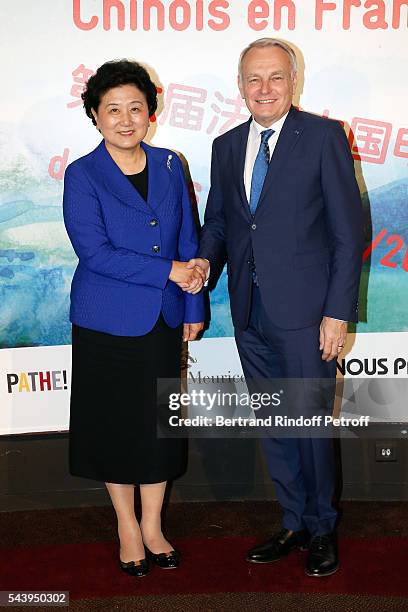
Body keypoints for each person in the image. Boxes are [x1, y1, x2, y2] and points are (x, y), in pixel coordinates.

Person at [188, 38, 364, 576]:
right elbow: (219, 222)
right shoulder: (224, 145)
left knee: (310, 423)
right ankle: (293, 520)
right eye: (253, 79)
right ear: (239, 86)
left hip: (309, 315)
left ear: (294, 81)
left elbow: (348, 230)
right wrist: (200, 267)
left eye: (276, 78)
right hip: (250, 309)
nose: (264, 89)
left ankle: (322, 528)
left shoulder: (323, 137)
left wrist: (337, 311)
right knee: (275, 421)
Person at [63, 59, 205, 578]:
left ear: (152, 111)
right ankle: (127, 526)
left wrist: (193, 304)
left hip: (164, 320)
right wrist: (170, 270)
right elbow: (94, 253)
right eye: (113, 110)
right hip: (106, 322)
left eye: (135, 108)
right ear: (95, 117)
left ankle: (153, 525)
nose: (126, 120)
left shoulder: (171, 163)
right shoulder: (82, 174)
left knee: (157, 428)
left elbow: (189, 239)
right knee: (116, 427)